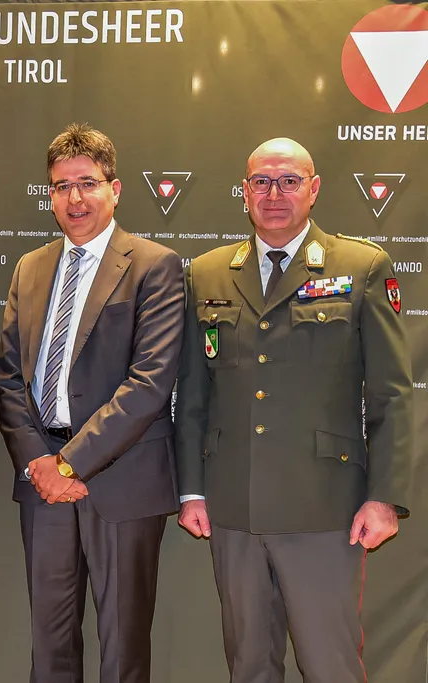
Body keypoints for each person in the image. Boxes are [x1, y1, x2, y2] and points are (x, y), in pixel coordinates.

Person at [174, 137, 412, 683]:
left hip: (323, 509)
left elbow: (391, 394)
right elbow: (193, 393)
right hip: (234, 506)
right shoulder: (207, 273)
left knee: (330, 666)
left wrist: (383, 497)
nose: (274, 194)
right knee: (249, 665)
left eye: (289, 181)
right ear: (244, 192)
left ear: (314, 188)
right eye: (261, 182)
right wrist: (191, 490)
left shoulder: (361, 266)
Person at [0, 123, 184, 683]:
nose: (74, 198)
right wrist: (39, 461)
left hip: (120, 481)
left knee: (123, 653)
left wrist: (70, 465)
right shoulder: (30, 267)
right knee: (49, 650)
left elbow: (149, 382)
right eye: (61, 187)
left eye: (87, 183)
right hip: (42, 483)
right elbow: (10, 376)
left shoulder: (155, 265)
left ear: (115, 189)